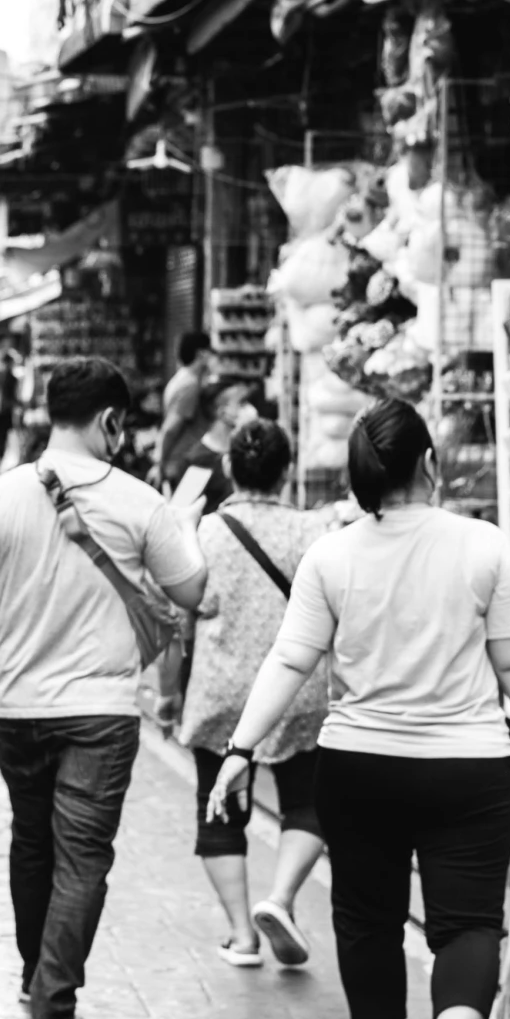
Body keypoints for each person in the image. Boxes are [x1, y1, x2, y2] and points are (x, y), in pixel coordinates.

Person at [207, 398, 510, 1019]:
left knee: (368, 919)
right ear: (429, 464)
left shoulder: (333, 556)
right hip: (472, 769)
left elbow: (291, 659)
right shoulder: (483, 546)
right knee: (467, 923)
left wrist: (241, 749)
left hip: (361, 767)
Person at [0, 357, 207, 1019]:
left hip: (16, 706)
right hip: (99, 710)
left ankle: (32, 975)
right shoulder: (142, 503)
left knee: (35, 839)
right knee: (83, 855)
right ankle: (55, 1004)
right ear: (109, 420)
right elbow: (192, 594)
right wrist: (186, 525)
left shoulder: (0, 496)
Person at [181, 418, 330, 969]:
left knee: (217, 810)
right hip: (299, 690)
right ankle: (282, 898)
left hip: (221, 692)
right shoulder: (313, 533)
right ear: (287, 471)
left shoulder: (205, 532)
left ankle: (242, 935)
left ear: (228, 468)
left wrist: (173, 693)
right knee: (306, 804)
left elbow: (184, 613)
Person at [174, 380, 256, 519]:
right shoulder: (199, 460)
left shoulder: (243, 452)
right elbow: (180, 513)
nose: (250, 409)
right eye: (242, 403)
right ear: (223, 413)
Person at [155, 331, 214, 489]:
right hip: (180, 464)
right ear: (201, 354)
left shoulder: (181, 378)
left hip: (179, 462)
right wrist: (158, 463)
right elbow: (170, 429)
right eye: (211, 352)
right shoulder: (190, 385)